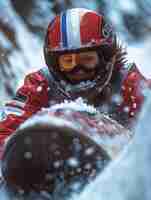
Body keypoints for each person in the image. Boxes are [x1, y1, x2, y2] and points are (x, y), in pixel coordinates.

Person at [0, 8, 150, 154]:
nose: (78, 69)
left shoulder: (130, 82)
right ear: (54, 63)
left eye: (87, 59)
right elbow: (6, 131)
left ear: (105, 58)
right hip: (48, 168)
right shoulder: (39, 85)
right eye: (68, 61)